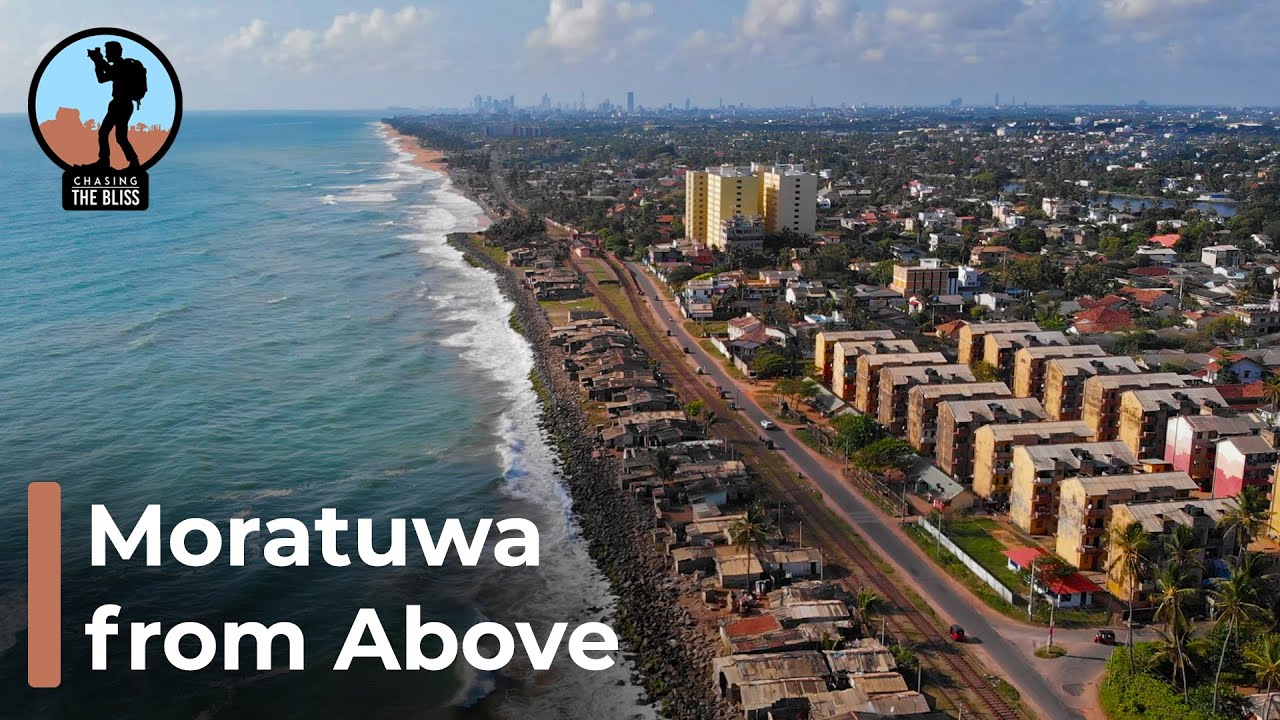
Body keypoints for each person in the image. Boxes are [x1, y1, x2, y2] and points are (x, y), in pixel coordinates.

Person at [87, 41, 145, 171]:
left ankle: (105, 162)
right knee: (120, 137)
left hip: (119, 104)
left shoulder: (121, 67)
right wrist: (98, 62)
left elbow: (103, 77)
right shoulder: (123, 66)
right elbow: (103, 77)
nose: (106, 55)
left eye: (107, 52)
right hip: (124, 105)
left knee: (105, 133)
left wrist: (98, 62)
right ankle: (133, 162)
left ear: (114, 53)